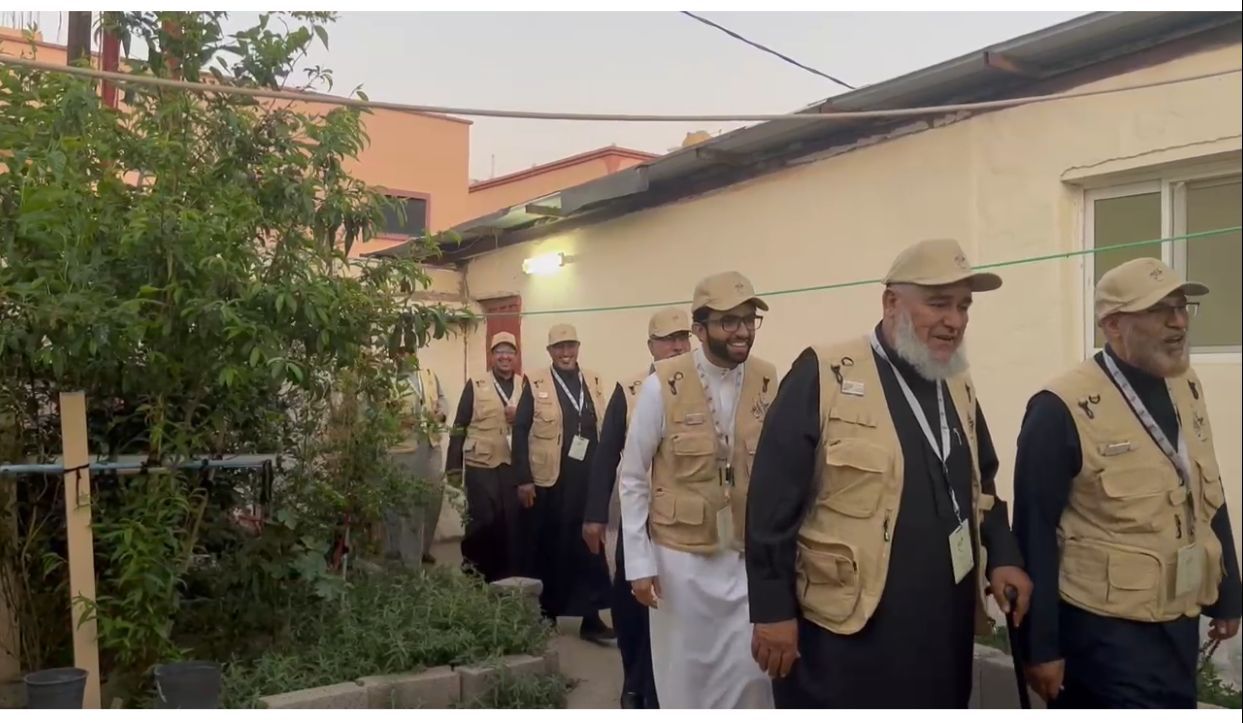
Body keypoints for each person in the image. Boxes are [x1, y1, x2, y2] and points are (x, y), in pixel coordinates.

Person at [745, 238, 1032, 708]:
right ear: (891, 302)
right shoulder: (825, 373)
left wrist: (1003, 555)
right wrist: (773, 611)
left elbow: (982, 481)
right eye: (938, 303)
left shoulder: (956, 383)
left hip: (942, 631)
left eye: (963, 306)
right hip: (845, 637)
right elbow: (770, 505)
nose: (954, 321)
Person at [1013, 257, 1241, 708]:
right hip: (1103, 634)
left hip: (1177, 620)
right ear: (1113, 325)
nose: (1179, 323)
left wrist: (1229, 593)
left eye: (1181, 307)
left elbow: (1206, 490)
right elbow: (1034, 533)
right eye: (1159, 311)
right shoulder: (1060, 408)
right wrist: (1040, 648)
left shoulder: (1184, 385)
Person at [619, 271, 779, 709]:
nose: (742, 331)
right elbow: (633, 476)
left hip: (746, 558)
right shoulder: (662, 385)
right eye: (729, 321)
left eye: (748, 319)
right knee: (687, 679)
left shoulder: (768, 380)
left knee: (752, 676)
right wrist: (639, 562)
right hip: (680, 563)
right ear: (699, 329)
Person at [584, 307, 693, 709]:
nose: (677, 347)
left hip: (684, 522)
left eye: (682, 338)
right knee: (631, 604)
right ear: (651, 346)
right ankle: (633, 682)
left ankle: (660, 686)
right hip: (637, 518)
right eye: (668, 340)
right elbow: (606, 453)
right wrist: (594, 515)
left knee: (672, 607)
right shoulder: (629, 390)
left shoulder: (701, 387)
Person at [513, 324, 615, 642]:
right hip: (552, 480)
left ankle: (591, 618)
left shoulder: (593, 380)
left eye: (570, 346)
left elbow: (605, 425)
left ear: (578, 347)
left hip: (588, 479)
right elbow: (520, 429)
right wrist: (524, 479)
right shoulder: (536, 381)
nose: (565, 353)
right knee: (551, 546)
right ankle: (547, 613)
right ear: (550, 352)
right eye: (559, 347)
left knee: (590, 545)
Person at [444, 332, 528, 582]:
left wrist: (520, 416)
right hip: (480, 464)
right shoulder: (476, 384)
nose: (505, 357)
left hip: (510, 464)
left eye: (509, 352)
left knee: (509, 521)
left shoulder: (524, 385)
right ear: (491, 356)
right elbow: (459, 426)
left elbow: (534, 423)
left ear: (516, 356)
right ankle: (475, 574)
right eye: (499, 351)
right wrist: (453, 467)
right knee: (481, 520)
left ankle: (504, 576)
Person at [388, 360, 449, 567]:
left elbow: (442, 398)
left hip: (431, 443)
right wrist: (401, 420)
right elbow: (377, 411)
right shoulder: (387, 377)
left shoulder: (428, 373)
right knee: (406, 500)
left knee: (433, 495)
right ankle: (400, 554)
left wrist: (441, 413)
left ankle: (424, 549)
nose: (405, 352)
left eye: (410, 347)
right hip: (403, 446)